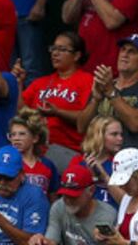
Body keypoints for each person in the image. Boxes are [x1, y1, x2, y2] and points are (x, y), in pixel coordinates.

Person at [22, 29, 95, 169]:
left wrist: (58, 112)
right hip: (37, 149)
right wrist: (18, 83)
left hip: (69, 151)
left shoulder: (87, 80)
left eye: (62, 49)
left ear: (77, 55)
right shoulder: (40, 82)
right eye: (53, 48)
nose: (55, 53)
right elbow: (21, 111)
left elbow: (86, 119)